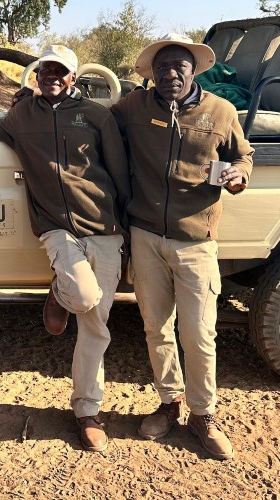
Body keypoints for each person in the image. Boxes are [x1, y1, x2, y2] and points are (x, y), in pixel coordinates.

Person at [0, 45, 130, 453]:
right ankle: (60, 291)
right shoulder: (22, 114)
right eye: (45, 68)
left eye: (60, 70)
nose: (51, 75)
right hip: (56, 227)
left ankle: (87, 410)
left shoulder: (97, 116)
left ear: (74, 76)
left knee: (96, 325)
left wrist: (127, 233)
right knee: (84, 296)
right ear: (36, 74)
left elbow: (120, 174)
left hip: (105, 227)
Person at [111, 33, 253, 460]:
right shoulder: (133, 107)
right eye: (161, 67)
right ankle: (169, 404)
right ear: (151, 73)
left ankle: (204, 415)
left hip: (196, 242)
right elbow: (95, 121)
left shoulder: (221, 112)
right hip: (146, 236)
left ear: (193, 71)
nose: (169, 74)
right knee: (157, 329)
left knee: (199, 335)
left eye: (178, 67)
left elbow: (243, 156)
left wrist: (239, 176)